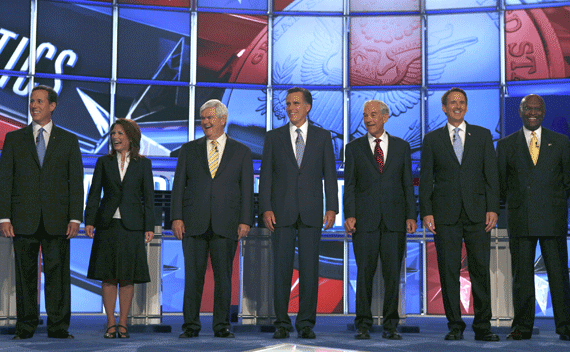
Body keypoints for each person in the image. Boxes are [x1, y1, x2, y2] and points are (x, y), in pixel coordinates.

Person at [0, 85, 83, 340]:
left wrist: (74, 217)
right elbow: (5, 181)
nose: (34, 106)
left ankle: (58, 327)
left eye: (39, 101)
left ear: (52, 106)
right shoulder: (14, 139)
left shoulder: (68, 140)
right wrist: (4, 217)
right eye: (31, 101)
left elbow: (75, 182)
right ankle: (26, 325)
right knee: (25, 276)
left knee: (58, 275)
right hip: (23, 220)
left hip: (57, 220)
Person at [419, 87, 500, 341]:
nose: (457, 105)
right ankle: (455, 325)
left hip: (478, 214)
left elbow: (491, 177)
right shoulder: (432, 140)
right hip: (445, 216)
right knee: (449, 271)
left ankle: (483, 326)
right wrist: (427, 212)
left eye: (462, 102)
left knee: (479, 271)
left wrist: (492, 208)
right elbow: (426, 180)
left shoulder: (483, 135)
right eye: (453, 102)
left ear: (466, 107)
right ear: (444, 108)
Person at [259, 87, 338, 339]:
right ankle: (281, 322)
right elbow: (266, 177)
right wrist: (266, 208)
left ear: (307, 107)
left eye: (295, 103)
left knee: (309, 270)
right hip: (281, 212)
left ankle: (305, 323)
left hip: (312, 212)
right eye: (288, 103)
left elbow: (330, 175)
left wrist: (332, 207)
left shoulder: (322, 137)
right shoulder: (274, 137)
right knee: (281, 270)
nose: (290, 108)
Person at [171, 99, 253, 339]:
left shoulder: (242, 151)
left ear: (222, 119)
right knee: (193, 278)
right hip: (193, 223)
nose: (205, 122)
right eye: (203, 118)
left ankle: (221, 326)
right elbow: (178, 188)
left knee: (223, 279)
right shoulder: (188, 150)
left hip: (226, 223)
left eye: (210, 118)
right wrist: (176, 217)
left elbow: (247, 189)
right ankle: (191, 326)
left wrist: (245, 219)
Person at [497, 94, 570, 341]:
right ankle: (522, 327)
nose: (533, 112)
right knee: (522, 278)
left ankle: (565, 326)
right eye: (528, 108)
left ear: (544, 112)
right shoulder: (506, 145)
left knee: (559, 276)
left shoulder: (561, 143)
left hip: (553, 219)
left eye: (537, 109)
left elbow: (567, 182)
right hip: (521, 219)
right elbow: (501, 184)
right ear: (520, 111)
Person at [343, 100, 417, 340]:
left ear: (385, 117)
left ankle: (390, 325)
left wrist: (410, 215)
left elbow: (407, 184)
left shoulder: (402, 147)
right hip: (365, 222)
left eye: (373, 115)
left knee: (392, 275)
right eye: (365, 115)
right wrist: (350, 214)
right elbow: (350, 186)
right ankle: (362, 324)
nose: (368, 119)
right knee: (364, 274)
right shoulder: (353, 148)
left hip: (395, 221)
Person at [84, 118, 154, 339]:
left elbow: (148, 198)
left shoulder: (143, 164)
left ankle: (123, 323)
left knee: (127, 277)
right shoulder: (103, 162)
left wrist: (148, 226)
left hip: (132, 225)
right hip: (107, 224)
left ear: (131, 137)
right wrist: (89, 221)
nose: (115, 137)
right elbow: (94, 193)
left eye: (120, 133)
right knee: (108, 276)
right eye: (113, 133)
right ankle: (110, 322)